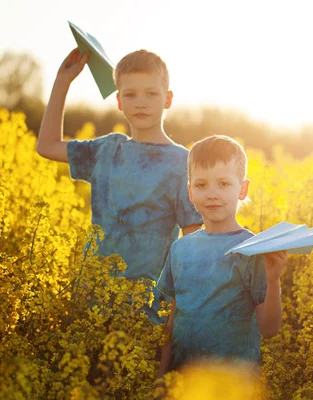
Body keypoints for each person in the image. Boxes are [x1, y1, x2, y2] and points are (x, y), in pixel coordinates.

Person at [36, 48, 203, 323]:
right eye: (130, 94)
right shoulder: (106, 150)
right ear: (119, 102)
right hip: (90, 303)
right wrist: (62, 82)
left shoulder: (182, 163)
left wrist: (178, 316)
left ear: (168, 99)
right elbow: (47, 145)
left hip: (147, 311)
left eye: (151, 93)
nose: (141, 103)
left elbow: (192, 245)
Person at [157, 135, 287, 375]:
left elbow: (269, 329)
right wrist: (161, 379)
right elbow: (172, 322)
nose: (212, 194)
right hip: (183, 381)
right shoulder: (180, 248)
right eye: (201, 185)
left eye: (224, 184)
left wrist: (273, 279)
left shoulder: (252, 248)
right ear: (190, 192)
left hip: (234, 383)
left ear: (243, 189)